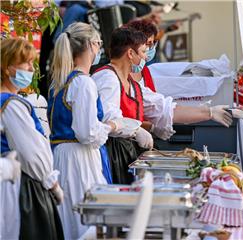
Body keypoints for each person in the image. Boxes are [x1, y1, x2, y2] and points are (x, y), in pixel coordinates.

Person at [92, 27, 232, 184]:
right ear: (130, 54)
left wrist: (209, 112)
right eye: (143, 52)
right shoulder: (107, 78)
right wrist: (136, 130)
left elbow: (166, 109)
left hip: (125, 151)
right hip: (110, 154)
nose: (146, 57)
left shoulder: (134, 85)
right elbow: (107, 119)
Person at [48, 22, 122, 238]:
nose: (99, 49)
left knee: (69, 219)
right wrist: (111, 126)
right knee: (86, 220)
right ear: (90, 44)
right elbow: (87, 133)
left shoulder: (59, 82)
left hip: (62, 156)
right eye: (98, 44)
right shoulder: (83, 83)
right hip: (79, 159)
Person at [1, 38, 64, 239]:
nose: (31, 68)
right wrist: (52, 183)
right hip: (21, 187)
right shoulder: (11, 105)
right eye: (26, 63)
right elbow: (31, 153)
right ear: (8, 68)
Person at [125, 19, 158, 92]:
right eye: (148, 43)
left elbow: (154, 98)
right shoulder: (118, 74)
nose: (150, 48)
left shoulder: (145, 70)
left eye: (153, 43)